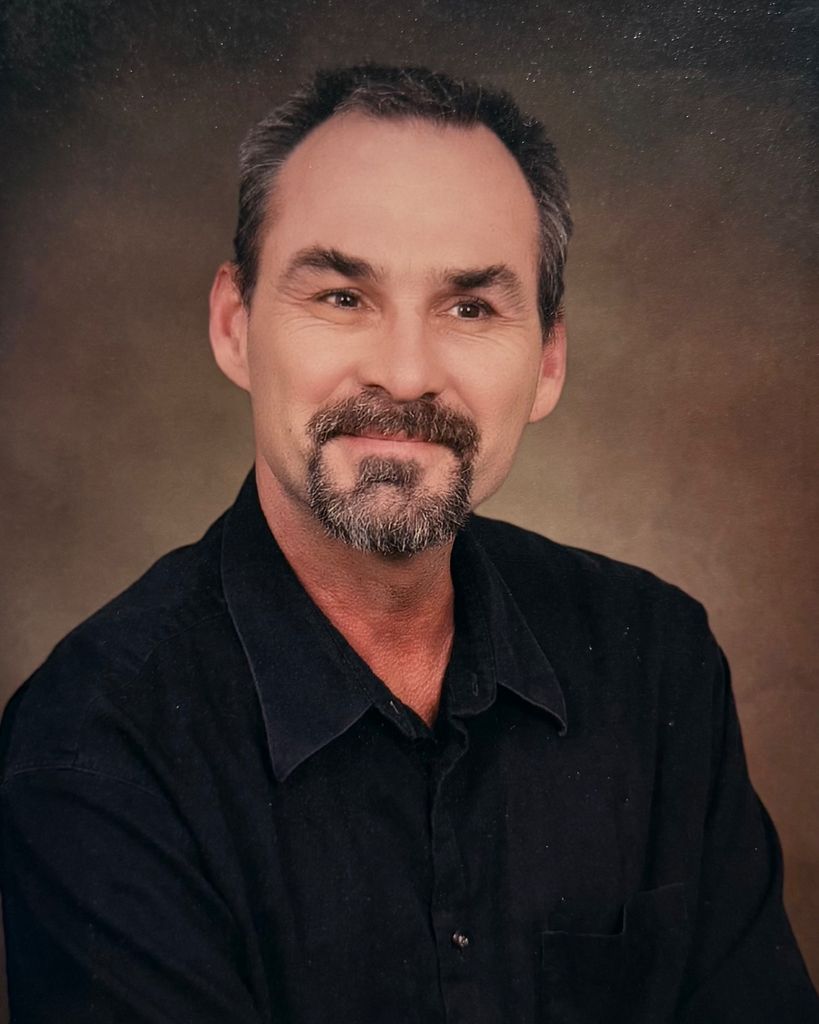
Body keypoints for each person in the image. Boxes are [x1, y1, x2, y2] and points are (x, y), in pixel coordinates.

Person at [0, 64, 815, 1024]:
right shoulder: (93, 744)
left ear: (548, 361)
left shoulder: (656, 660)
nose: (405, 372)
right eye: (342, 296)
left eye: (470, 307)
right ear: (234, 326)